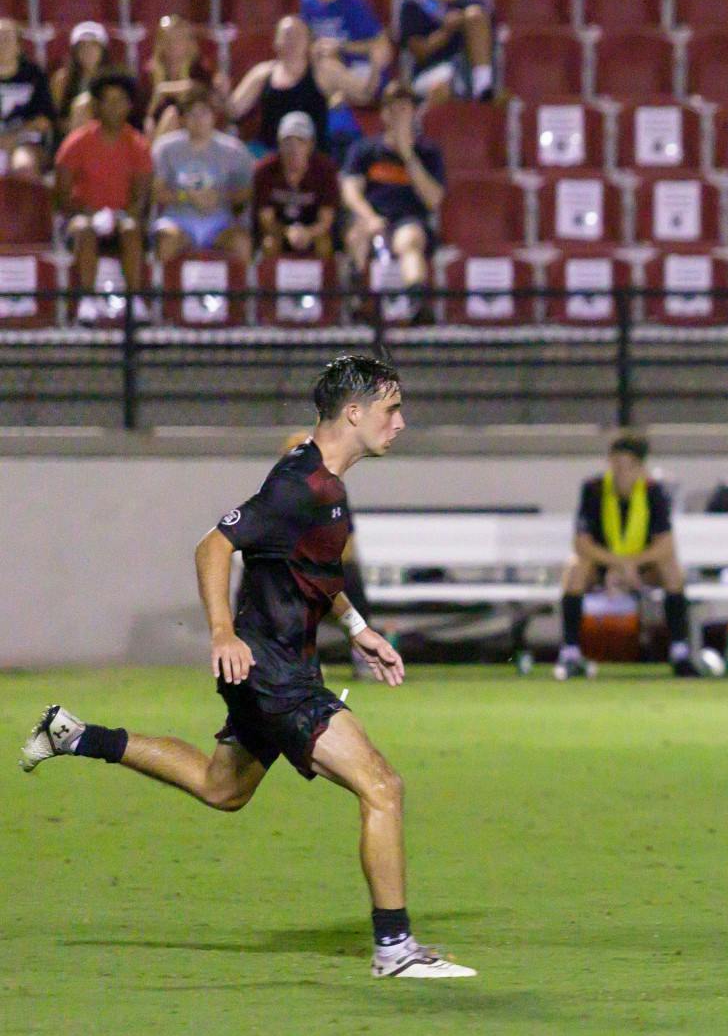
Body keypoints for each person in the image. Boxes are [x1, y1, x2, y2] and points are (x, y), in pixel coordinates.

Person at [18, 355, 475, 980]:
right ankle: (394, 949)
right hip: (272, 673)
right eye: (392, 409)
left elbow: (308, 569)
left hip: (275, 670)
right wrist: (222, 632)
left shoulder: (326, 488)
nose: (401, 422)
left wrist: (358, 628)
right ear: (355, 412)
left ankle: (75, 735)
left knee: (221, 788)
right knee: (382, 787)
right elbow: (213, 545)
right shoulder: (301, 485)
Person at [555, 430, 699, 681]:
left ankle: (680, 652)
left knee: (672, 569)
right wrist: (618, 565)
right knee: (575, 568)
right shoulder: (594, 489)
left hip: (641, 566)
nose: (622, 472)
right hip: (604, 564)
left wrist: (632, 565)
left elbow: (665, 546)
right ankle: (570, 653)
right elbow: (582, 544)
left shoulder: (654, 492)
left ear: (641, 467)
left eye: (629, 466)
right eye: (616, 464)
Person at [53, 73, 152, 324]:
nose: (114, 107)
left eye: (120, 101)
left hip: (120, 218)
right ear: (97, 106)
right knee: (85, 230)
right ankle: (87, 300)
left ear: (129, 106)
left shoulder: (138, 145)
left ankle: (134, 299)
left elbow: (140, 198)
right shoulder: (77, 142)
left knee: (131, 229)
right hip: (83, 218)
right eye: (107, 101)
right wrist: (86, 213)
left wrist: (122, 216)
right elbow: (62, 195)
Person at [340, 82, 443, 311]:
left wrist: (408, 156)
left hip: (408, 219)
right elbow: (350, 191)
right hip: (372, 217)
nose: (398, 115)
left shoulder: (428, 152)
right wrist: (370, 218)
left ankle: (416, 302)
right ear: (384, 113)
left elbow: (433, 199)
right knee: (358, 234)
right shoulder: (364, 150)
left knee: (410, 239)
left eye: (404, 109)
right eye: (393, 108)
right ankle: (356, 298)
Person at [151, 85, 255, 265]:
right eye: (191, 114)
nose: (198, 120)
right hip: (178, 219)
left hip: (220, 221)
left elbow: (246, 191)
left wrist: (220, 196)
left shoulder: (233, 150)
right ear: (182, 119)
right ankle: (161, 291)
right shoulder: (165, 148)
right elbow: (157, 191)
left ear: (214, 116)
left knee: (241, 243)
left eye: (204, 113)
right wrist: (186, 196)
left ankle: (243, 292)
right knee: (166, 242)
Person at [228, 16, 358, 157]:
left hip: (311, 156)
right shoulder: (262, 73)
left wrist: (375, 66)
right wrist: (222, 93)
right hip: (270, 153)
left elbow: (364, 94)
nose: (292, 41)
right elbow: (233, 110)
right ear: (276, 41)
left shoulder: (324, 71)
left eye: (298, 36)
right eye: (287, 35)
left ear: (308, 42)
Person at [254, 111, 339, 258]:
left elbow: (326, 220)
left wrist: (307, 233)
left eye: (300, 142)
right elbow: (266, 218)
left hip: (313, 230)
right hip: (279, 230)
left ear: (311, 145)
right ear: (279, 144)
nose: (293, 149)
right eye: (288, 142)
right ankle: (269, 280)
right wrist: (287, 232)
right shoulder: (265, 170)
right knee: (270, 243)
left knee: (324, 244)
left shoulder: (325, 170)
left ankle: (325, 280)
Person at [397, 0, 496, 103]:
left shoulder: (469, 2)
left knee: (475, 15)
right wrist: (445, 31)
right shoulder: (414, 4)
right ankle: (422, 118)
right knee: (441, 87)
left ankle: (483, 88)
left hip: (465, 70)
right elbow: (419, 52)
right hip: (429, 70)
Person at [141, 15, 220, 139]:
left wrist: (164, 89)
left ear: (189, 43)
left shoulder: (199, 69)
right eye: (167, 39)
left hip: (191, 125)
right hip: (158, 127)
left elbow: (202, 91)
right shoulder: (150, 72)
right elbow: (146, 109)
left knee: (171, 115)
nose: (173, 45)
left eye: (179, 39)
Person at [301, 0, 393, 103]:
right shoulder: (307, 3)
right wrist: (315, 47)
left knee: (326, 67)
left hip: (362, 67)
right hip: (329, 67)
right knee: (322, 64)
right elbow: (307, 38)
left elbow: (382, 44)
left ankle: (364, 95)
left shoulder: (353, 4)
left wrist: (341, 47)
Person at [0, 18, 57, 176]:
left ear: (18, 46)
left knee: (23, 167)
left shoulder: (34, 75)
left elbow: (44, 119)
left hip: (23, 141)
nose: (2, 44)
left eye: (7, 38)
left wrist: (12, 137)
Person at [51, 22, 113, 138]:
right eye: (82, 46)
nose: (88, 51)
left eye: (93, 45)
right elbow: (55, 118)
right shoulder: (62, 80)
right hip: (71, 137)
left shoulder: (113, 80)